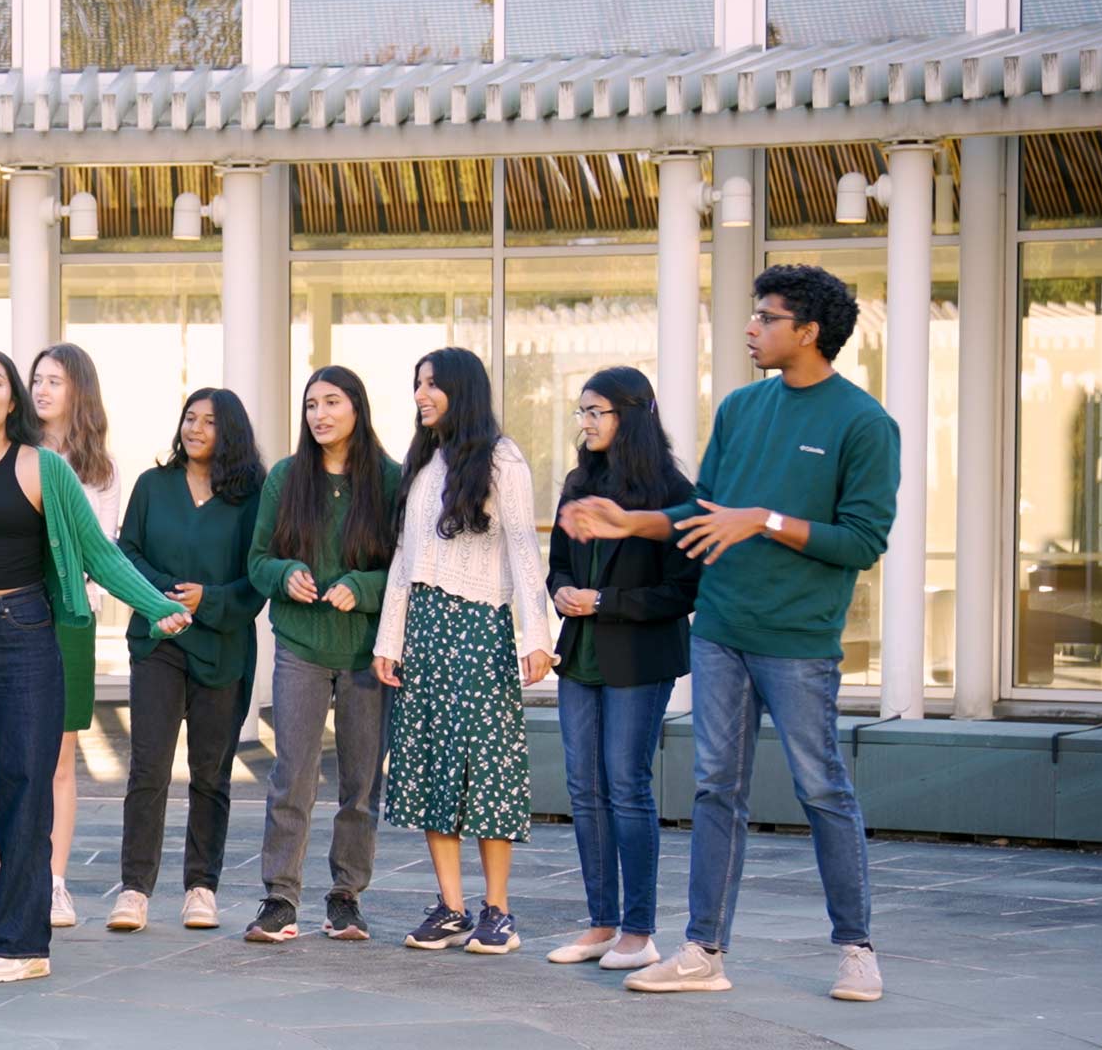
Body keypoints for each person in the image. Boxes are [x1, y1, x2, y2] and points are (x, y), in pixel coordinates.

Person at [562, 264, 895, 1003]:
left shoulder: (864, 423)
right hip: (719, 629)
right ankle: (703, 950)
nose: (751, 327)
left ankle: (856, 949)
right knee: (716, 787)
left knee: (822, 789)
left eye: (766, 317)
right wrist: (632, 520)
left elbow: (864, 541)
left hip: (800, 639)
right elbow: (702, 513)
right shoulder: (742, 409)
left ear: (807, 332)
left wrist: (766, 520)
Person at [0, 346, 191, 984]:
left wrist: (155, 606)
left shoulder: (46, 468)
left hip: (27, 634)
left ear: (11, 398)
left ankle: (22, 945)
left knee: (25, 789)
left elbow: (98, 555)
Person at [373, 348, 553, 956]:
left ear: (462, 390)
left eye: (432, 385)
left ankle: (497, 911)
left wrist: (537, 636)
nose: (421, 395)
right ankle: (450, 907)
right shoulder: (422, 463)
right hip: (423, 629)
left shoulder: (503, 460)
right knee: (428, 764)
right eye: (417, 384)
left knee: (487, 765)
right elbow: (404, 558)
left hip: (480, 626)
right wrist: (388, 638)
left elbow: (525, 551)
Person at [543, 367, 698, 974]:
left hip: (640, 657)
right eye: (581, 412)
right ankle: (601, 923)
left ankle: (639, 932)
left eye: (596, 412)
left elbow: (682, 591)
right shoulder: (580, 482)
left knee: (625, 785)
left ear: (631, 414)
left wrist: (605, 601)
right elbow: (557, 563)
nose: (585, 423)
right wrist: (562, 592)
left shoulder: (671, 489)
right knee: (585, 788)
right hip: (580, 653)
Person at [243, 365, 402, 944]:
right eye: (311, 405)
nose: (320, 415)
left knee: (360, 781)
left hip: (365, 653)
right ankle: (280, 898)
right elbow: (258, 559)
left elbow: (406, 571)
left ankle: (345, 897)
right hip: (301, 649)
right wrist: (284, 575)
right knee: (293, 776)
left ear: (357, 408)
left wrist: (361, 587)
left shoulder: (389, 480)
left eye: (332, 402)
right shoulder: (286, 478)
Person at [107, 389, 266, 933]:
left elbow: (257, 577)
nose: (195, 428)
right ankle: (134, 890)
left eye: (209, 422)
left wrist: (210, 601)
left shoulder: (251, 499)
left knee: (210, 772)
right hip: (158, 642)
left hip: (222, 647)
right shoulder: (153, 486)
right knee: (148, 767)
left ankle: (201, 887)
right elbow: (124, 553)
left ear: (232, 433)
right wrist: (165, 597)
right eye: (189, 418)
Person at [28, 341, 119, 929]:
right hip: (11, 608)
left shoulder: (100, 471)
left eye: (54, 381)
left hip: (69, 618)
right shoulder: (11, 453)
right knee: (10, 763)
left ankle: (55, 883)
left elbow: (100, 554)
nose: (41, 389)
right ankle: (20, 878)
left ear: (77, 390)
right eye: (36, 379)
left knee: (60, 761)